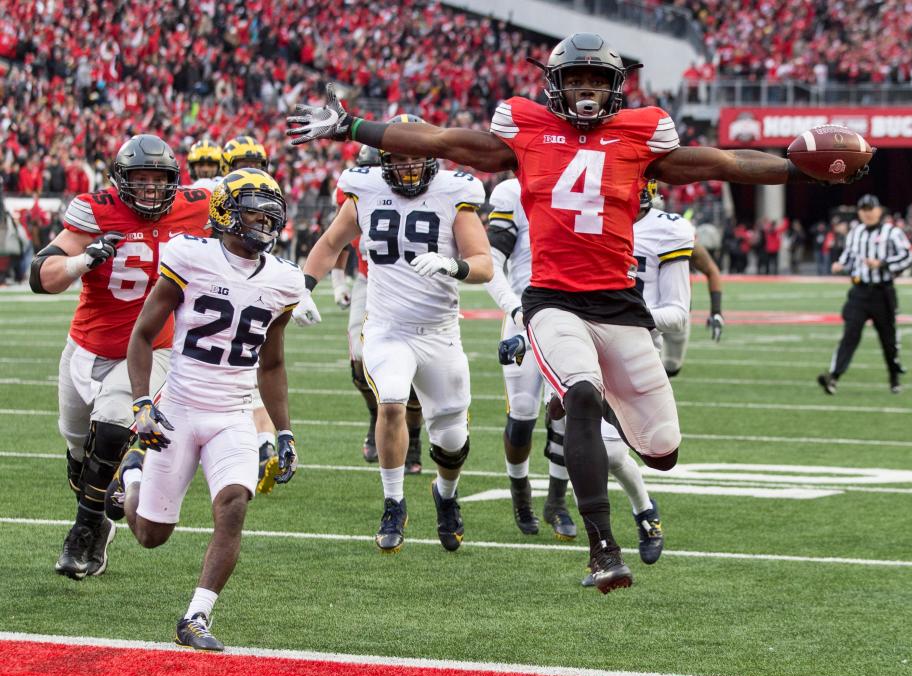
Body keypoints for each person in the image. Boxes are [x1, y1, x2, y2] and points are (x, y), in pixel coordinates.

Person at [287, 32, 868, 593]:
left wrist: (799, 169)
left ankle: (625, 480)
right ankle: (603, 550)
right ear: (555, 85)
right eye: (576, 78)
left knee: (663, 452)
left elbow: (722, 161)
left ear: (616, 86)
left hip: (619, 304)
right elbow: (438, 142)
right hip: (553, 299)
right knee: (581, 396)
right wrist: (350, 126)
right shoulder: (525, 131)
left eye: (597, 79)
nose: (586, 89)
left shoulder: (640, 136)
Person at [105, 168, 302, 651]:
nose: (266, 216)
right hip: (180, 407)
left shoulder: (284, 279)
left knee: (234, 503)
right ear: (225, 213)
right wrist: (142, 403)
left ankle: (196, 616)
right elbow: (143, 336)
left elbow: (271, 364)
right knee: (151, 534)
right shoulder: (190, 257)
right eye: (254, 206)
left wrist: (284, 432)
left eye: (270, 207)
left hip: (233, 412)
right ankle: (131, 473)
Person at [299, 115, 492, 554]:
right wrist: (304, 289)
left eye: (416, 156)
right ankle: (393, 503)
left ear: (432, 157)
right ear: (382, 159)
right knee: (390, 403)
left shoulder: (454, 193)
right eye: (398, 157)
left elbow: (483, 262)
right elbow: (330, 244)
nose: (407, 166)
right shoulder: (365, 190)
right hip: (386, 328)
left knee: (451, 436)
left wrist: (453, 265)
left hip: (439, 332)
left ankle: (445, 494)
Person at [29, 134, 210, 581]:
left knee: (111, 429)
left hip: (151, 348)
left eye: (158, 179)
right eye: (140, 179)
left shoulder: (198, 205)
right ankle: (95, 519)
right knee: (77, 449)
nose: (150, 189)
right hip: (87, 348)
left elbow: (247, 195)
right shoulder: (96, 210)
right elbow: (40, 276)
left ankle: (84, 531)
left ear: (174, 181)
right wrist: (80, 263)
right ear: (121, 180)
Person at [580, 181, 692, 586]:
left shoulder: (667, 230)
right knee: (584, 449)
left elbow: (678, 314)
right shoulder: (584, 220)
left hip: (636, 349)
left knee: (629, 452)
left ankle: (644, 510)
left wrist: (620, 315)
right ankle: (610, 543)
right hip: (583, 342)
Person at [294, 144, 425, 474]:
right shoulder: (358, 196)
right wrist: (338, 280)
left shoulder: (425, 193)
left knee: (419, 368)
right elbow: (338, 240)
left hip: (419, 288)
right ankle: (374, 415)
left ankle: (414, 435)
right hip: (370, 282)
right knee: (359, 363)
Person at [484, 175, 576, 539]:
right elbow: (491, 262)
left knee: (568, 416)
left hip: (570, 316)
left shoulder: (580, 184)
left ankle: (557, 502)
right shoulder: (512, 192)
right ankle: (520, 493)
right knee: (522, 416)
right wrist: (515, 309)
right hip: (524, 315)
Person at [219, 134, 282, 492]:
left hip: (249, 291)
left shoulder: (266, 199)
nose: (252, 172)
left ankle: (263, 445)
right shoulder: (215, 196)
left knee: (251, 371)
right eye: (245, 164)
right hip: (220, 293)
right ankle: (262, 445)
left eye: (257, 165)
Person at [818, 194, 912, 395]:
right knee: (850, 334)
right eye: (864, 210)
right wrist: (840, 265)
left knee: (888, 338)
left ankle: (894, 376)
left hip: (882, 292)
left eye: (871, 209)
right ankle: (833, 377)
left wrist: (883, 263)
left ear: (879, 211)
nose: (868, 213)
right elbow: (849, 257)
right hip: (859, 292)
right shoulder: (855, 233)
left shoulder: (892, 232)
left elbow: (907, 255)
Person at [661, 239, 725, 377]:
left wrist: (716, 311)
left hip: (677, 309)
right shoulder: (634, 228)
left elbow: (712, 270)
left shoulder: (680, 234)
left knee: (672, 367)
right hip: (642, 309)